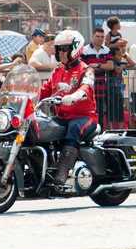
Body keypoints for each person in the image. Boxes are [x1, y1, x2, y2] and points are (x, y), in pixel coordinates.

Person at [39, 30, 98, 185]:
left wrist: (74, 96)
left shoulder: (86, 70)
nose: (61, 52)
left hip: (85, 117)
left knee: (74, 129)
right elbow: (43, 91)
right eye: (58, 49)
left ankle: (63, 172)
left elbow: (86, 87)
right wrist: (24, 99)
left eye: (65, 49)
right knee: (40, 127)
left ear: (75, 48)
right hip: (61, 118)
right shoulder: (57, 71)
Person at [81, 27, 113, 127]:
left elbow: (111, 66)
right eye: (97, 36)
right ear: (92, 36)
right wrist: (101, 66)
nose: (100, 39)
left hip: (101, 86)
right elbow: (82, 67)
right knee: (89, 111)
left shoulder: (106, 50)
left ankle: (99, 133)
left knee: (100, 111)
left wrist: (97, 65)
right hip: (88, 87)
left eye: (102, 37)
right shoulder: (85, 50)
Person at [108, 46, 134, 129]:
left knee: (120, 111)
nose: (120, 57)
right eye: (118, 55)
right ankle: (110, 129)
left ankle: (120, 130)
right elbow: (117, 70)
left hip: (118, 90)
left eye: (121, 55)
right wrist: (121, 68)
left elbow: (132, 64)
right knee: (111, 111)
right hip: (111, 90)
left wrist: (125, 56)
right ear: (112, 56)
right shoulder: (112, 62)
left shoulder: (120, 63)